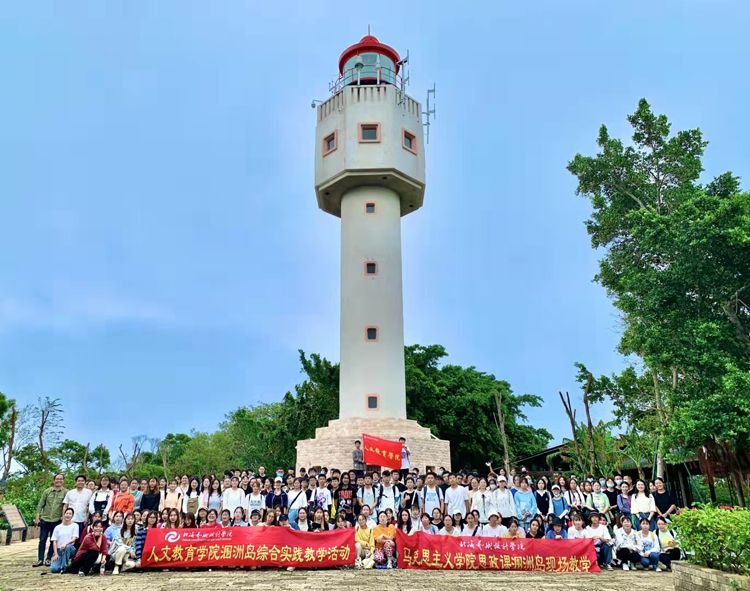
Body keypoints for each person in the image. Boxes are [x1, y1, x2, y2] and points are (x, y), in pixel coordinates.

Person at [34, 473, 67, 567]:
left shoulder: (66, 492)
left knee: (53, 541)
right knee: (42, 540)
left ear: (63, 481)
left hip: (57, 520)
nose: (58, 480)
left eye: (61, 479)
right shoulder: (47, 491)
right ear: (54, 480)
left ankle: (48, 558)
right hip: (45, 519)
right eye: (57, 479)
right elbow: (40, 505)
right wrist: (37, 518)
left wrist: (63, 518)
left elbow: (66, 506)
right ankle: (40, 559)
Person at [49, 507, 79, 573]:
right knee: (54, 569)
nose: (68, 515)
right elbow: (54, 541)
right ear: (64, 514)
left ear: (72, 516)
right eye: (67, 513)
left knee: (67, 547)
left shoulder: (75, 525)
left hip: (70, 549)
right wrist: (56, 554)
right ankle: (64, 565)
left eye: (70, 514)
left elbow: (74, 538)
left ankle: (64, 567)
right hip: (59, 550)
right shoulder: (57, 527)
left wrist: (65, 543)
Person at [62, 474, 93, 539]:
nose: (80, 482)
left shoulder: (89, 492)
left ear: (85, 482)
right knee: (69, 538)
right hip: (70, 519)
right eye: (79, 481)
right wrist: (64, 517)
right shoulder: (70, 492)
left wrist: (87, 517)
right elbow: (65, 505)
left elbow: (89, 506)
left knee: (80, 538)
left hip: (82, 519)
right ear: (76, 482)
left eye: (82, 481)